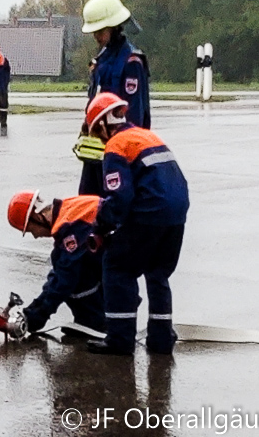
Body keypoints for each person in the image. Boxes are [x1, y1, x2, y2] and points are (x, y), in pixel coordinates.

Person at [83, 92, 188, 356]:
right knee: (157, 273)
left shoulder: (116, 146)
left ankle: (120, 340)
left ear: (104, 124)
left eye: (97, 132)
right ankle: (161, 339)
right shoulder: (146, 136)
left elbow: (120, 198)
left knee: (117, 266)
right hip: (176, 215)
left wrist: (100, 228)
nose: (99, 138)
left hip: (149, 212)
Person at [78, 0, 151, 194]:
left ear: (114, 26)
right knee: (88, 204)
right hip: (96, 150)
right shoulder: (101, 59)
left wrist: (125, 152)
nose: (96, 36)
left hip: (120, 152)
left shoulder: (131, 62)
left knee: (117, 208)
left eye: (100, 30)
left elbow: (134, 116)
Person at [6, 189, 106, 334]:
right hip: (122, 245)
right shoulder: (66, 212)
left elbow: (65, 278)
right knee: (61, 262)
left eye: (30, 229)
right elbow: (59, 271)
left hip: (129, 248)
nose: (35, 236)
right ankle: (95, 317)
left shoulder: (70, 228)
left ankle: (95, 321)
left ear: (38, 217)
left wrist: (39, 315)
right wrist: (34, 309)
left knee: (76, 275)